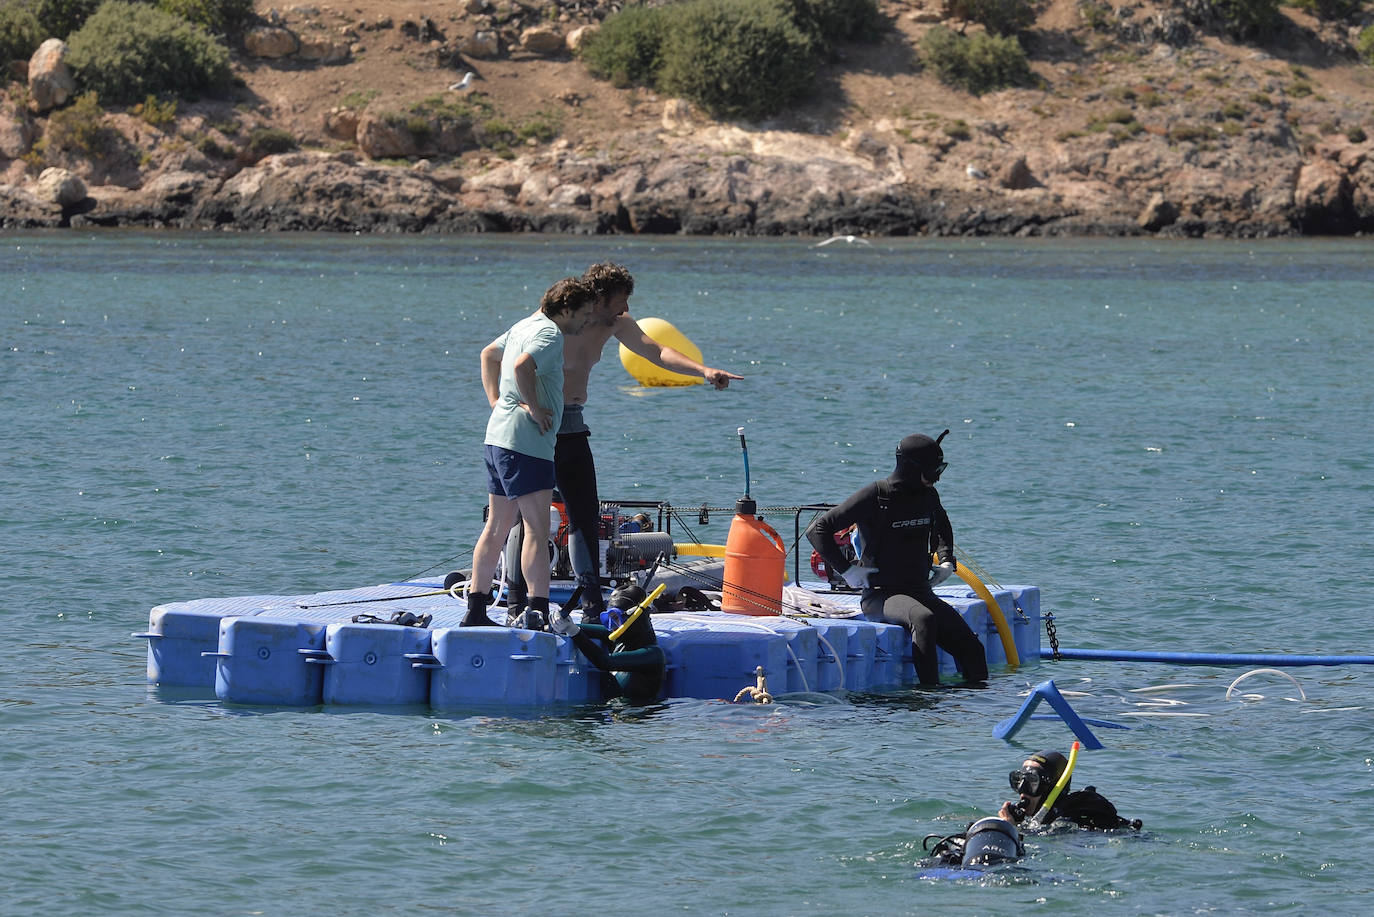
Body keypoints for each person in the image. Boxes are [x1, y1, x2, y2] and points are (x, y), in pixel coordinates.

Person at [496, 262, 742, 623]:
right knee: (527, 517)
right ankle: (518, 602)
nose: (625, 310)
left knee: (584, 515)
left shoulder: (616, 323)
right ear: (598, 298)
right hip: (537, 428)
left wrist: (704, 371)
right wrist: (506, 404)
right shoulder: (556, 319)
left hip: (574, 425)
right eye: (620, 301)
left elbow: (655, 351)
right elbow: (499, 354)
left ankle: (592, 606)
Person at [461, 277, 598, 632]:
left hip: (498, 438)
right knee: (537, 529)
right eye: (583, 314)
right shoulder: (550, 334)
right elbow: (522, 365)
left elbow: (488, 354)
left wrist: (497, 402)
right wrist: (535, 407)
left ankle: (476, 610)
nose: (586, 323)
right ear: (565, 308)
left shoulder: (523, 324)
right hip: (527, 443)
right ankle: (537, 610)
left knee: (496, 527)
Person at [805, 430, 988, 686]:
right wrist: (847, 570)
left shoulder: (928, 495)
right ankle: (927, 703)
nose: (937, 478)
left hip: (919, 591)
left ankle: (977, 708)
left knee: (973, 650)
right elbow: (818, 530)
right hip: (881, 596)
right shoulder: (876, 495)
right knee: (923, 619)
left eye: (940, 470)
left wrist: (946, 560)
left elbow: (943, 527)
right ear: (912, 468)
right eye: (934, 471)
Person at [564, 582, 667, 704]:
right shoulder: (619, 638)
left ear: (636, 618)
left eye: (616, 618)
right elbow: (586, 629)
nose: (612, 627)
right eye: (608, 619)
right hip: (615, 715)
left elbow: (605, 662)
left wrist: (573, 631)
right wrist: (563, 624)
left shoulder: (653, 655)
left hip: (638, 719)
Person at [999, 750, 1142, 830]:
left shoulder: (1065, 822)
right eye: (1018, 780)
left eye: (1032, 781)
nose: (1022, 789)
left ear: (1052, 788)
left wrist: (1010, 829)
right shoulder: (1047, 820)